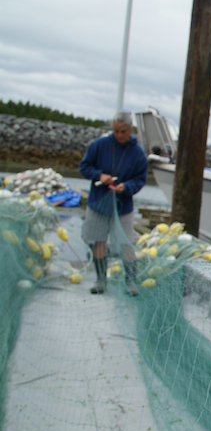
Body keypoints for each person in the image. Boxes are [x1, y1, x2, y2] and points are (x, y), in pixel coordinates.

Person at [79, 111, 148, 295]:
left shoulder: (138, 153)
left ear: (130, 130)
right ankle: (100, 280)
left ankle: (130, 282)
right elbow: (84, 167)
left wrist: (126, 187)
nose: (119, 135)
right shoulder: (99, 145)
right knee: (98, 241)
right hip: (98, 204)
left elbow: (140, 180)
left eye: (123, 131)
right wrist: (99, 176)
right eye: (116, 131)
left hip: (123, 207)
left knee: (126, 244)